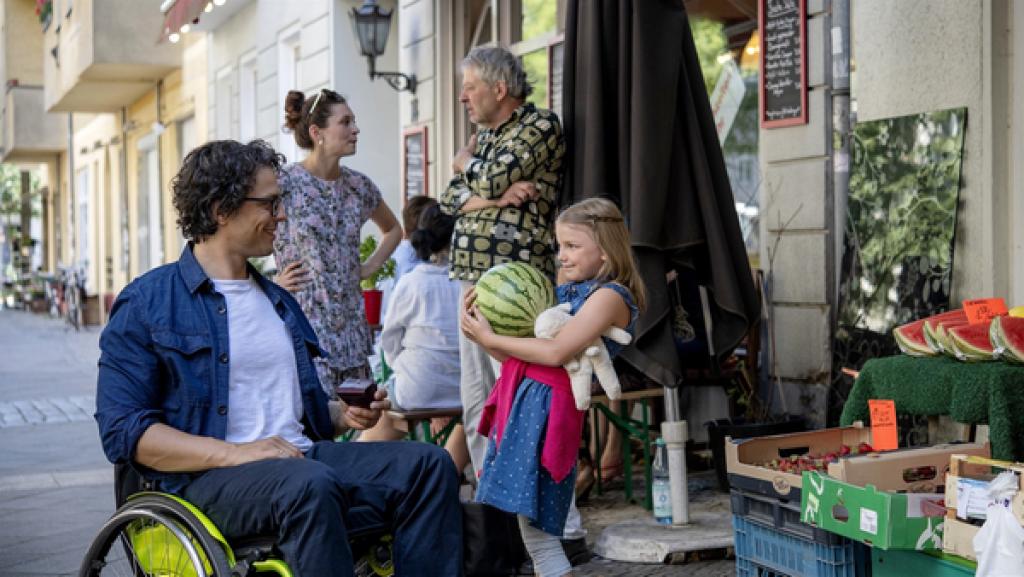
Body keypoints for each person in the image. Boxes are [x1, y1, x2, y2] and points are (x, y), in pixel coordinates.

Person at [94, 140, 463, 577]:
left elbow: (294, 416)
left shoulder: (277, 301)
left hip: (300, 462)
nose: (282, 215)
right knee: (309, 485)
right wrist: (236, 453)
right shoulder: (148, 302)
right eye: (270, 204)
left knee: (430, 465)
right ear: (220, 209)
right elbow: (123, 432)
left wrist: (344, 415)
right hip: (205, 481)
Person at [461, 198, 647, 577]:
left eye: (573, 246)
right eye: (559, 246)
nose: (562, 256)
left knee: (542, 533)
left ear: (607, 251)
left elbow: (556, 350)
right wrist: (480, 330)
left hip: (549, 411)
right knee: (533, 532)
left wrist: (489, 340)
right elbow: (530, 342)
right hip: (529, 401)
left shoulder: (611, 297)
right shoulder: (569, 289)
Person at [273, 88, 401, 396]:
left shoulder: (359, 186)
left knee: (359, 414)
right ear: (317, 132)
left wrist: (369, 267)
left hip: (350, 327)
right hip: (305, 324)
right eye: (345, 122)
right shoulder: (284, 183)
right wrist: (273, 283)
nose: (355, 129)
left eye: (353, 121)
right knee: (314, 422)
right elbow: (249, 230)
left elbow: (394, 229)